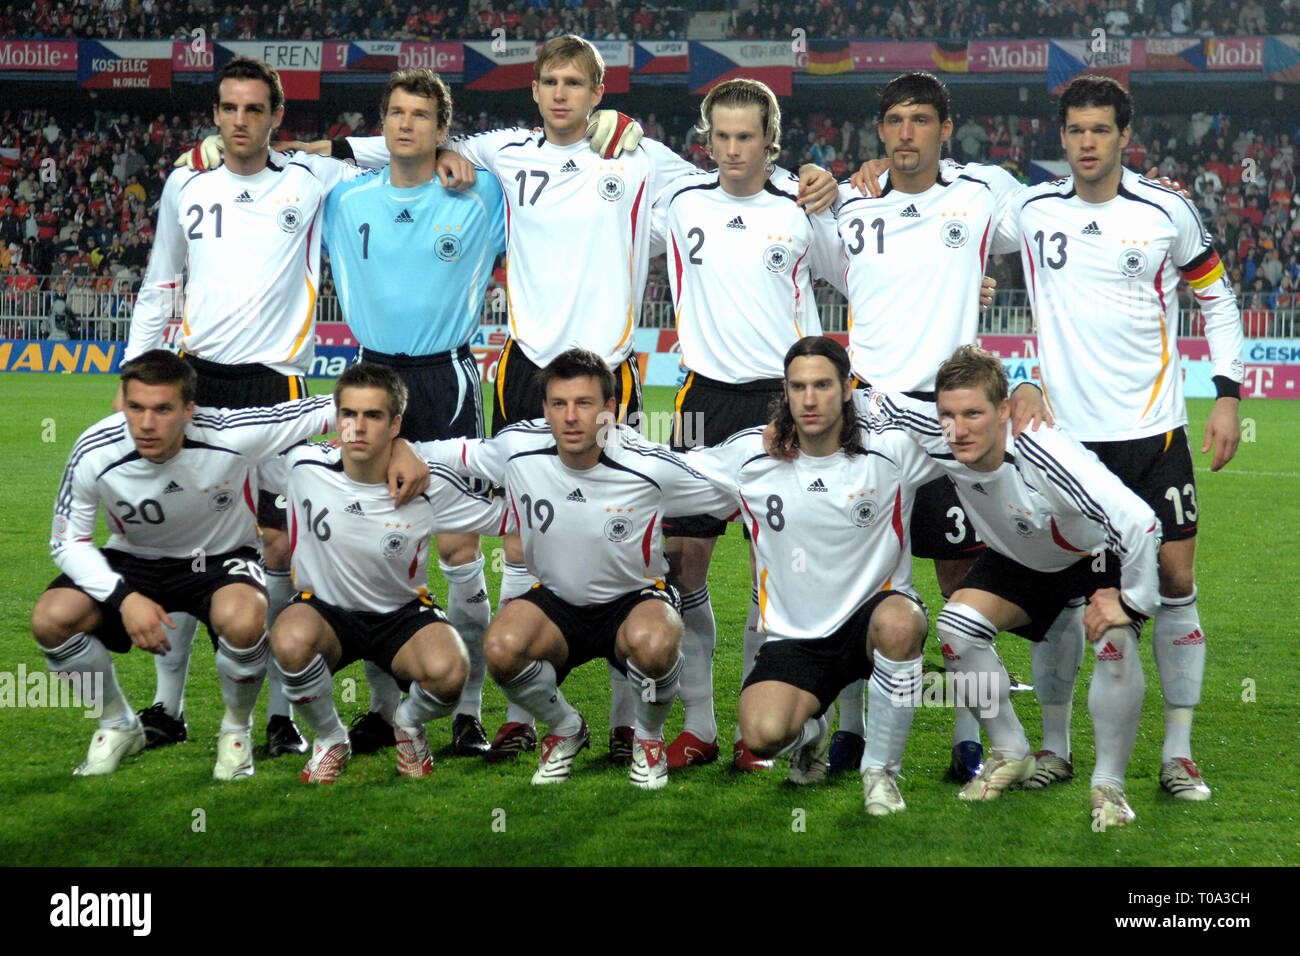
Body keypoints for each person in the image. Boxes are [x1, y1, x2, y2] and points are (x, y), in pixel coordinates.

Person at [128, 56, 427, 758]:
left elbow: (404, 142)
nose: (239, 121)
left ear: (275, 115)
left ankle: (285, 713)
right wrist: (135, 384)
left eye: (254, 109)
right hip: (196, 384)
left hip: (279, 390)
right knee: (185, 545)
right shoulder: (184, 182)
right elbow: (160, 282)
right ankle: (168, 709)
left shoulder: (307, 178)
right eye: (228, 108)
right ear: (214, 114)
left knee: (282, 546)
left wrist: (314, 149)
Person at [994, 75, 1244, 800]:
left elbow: (1219, 300)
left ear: (1124, 135)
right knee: (1068, 593)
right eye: (1075, 130)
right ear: (1061, 135)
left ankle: (1178, 751)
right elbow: (951, 249)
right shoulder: (1031, 211)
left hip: (1154, 436)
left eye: (1101, 129)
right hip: (1064, 443)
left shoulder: (1167, 211)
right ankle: (1054, 747)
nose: (1087, 142)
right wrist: (1019, 374)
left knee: (1172, 583)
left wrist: (1227, 395)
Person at [823, 71, 1047, 780]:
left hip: (955, 418)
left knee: (960, 585)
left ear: (945, 130)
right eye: (894, 120)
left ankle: (969, 739)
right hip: (873, 413)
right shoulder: (850, 208)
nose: (906, 132)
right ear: (879, 130)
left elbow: (1042, 242)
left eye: (922, 119)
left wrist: (1033, 368)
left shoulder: (982, 196)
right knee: (860, 582)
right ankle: (850, 732)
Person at [869, 346, 1162, 826]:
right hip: (1020, 557)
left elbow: (1140, 523)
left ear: (1004, 411)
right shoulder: (936, 431)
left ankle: (1109, 786)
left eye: (973, 414)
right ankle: (1011, 749)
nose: (958, 430)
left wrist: (1132, 603)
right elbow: (871, 401)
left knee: (1113, 642)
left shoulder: (1044, 450)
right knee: (956, 630)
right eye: (947, 414)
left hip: (1091, 556)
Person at [419, 348, 734, 789]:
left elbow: (725, 478)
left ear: (609, 410)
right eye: (559, 404)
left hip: (633, 601)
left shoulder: (648, 464)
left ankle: (647, 739)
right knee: (502, 647)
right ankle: (566, 728)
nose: (571, 417)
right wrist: (400, 452)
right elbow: (460, 453)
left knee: (657, 640)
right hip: (556, 603)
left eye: (584, 404)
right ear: (545, 408)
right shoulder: (518, 448)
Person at [318, 69, 507, 761]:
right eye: (395, 113)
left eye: (421, 115)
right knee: (374, 548)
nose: (406, 125)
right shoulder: (344, 200)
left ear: (441, 128)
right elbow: (300, 161)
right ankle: (381, 707)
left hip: (444, 379)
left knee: (457, 548)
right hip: (369, 377)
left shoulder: (479, 192)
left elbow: (530, 162)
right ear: (382, 123)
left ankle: (469, 712)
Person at [30, 350, 336, 779]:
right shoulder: (96, 448)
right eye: (135, 407)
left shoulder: (232, 432)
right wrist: (125, 598)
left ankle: (236, 730)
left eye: (162, 409)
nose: (146, 423)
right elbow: (67, 542)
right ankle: (117, 723)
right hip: (134, 561)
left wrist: (396, 446)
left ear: (190, 410)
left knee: (245, 617)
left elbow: (335, 406)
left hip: (221, 559)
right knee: (51, 619)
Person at [652, 78, 839, 772]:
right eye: (721, 137)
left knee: (779, 570)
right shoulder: (679, 202)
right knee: (682, 565)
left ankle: (766, 724)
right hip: (698, 399)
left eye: (746, 137)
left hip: (782, 403)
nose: (733, 151)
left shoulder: (802, 206)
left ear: (771, 141)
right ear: (708, 139)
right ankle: (699, 725)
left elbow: (858, 275)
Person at [686, 337, 935, 815]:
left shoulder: (893, 449)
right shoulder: (753, 455)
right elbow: (675, 473)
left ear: (847, 389)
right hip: (797, 637)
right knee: (759, 738)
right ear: (785, 391)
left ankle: (880, 773)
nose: (810, 398)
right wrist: (603, 447)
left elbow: (966, 429)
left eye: (822, 385)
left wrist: (1023, 392)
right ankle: (814, 731)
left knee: (902, 623)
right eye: (798, 387)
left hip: (873, 620)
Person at [265, 364, 512, 784]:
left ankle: (408, 724)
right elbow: (229, 458)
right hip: (325, 614)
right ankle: (330, 738)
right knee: (287, 639)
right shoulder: (301, 467)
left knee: (451, 672)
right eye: (349, 414)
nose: (357, 428)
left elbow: (509, 518)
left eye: (373, 416)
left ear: (395, 423)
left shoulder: (428, 486)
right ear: (335, 417)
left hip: (401, 616)